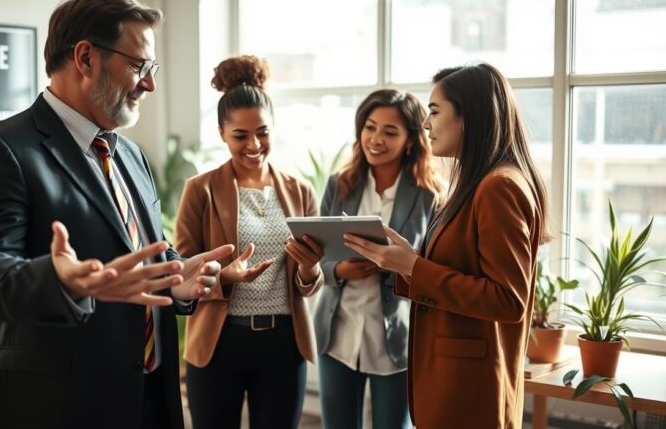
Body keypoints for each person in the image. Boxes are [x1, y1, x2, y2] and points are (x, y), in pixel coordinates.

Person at [0, 0, 233, 429]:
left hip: (149, 401)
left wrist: (177, 278)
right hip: (56, 406)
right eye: (139, 66)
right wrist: (60, 279)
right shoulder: (2, 150)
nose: (150, 84)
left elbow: (137, 256)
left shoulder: (132, 156)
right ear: (86, 58)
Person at [345, 63, 549, 429]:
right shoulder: (477, 183)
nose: (426, 124)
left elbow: (507, 299)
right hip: (456, 381)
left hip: (469, 389)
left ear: (467, 117)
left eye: (434, 112)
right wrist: (405, 263)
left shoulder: (498, 187)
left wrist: (413, 267)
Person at [173, 55, 324, 429]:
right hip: (219, 343)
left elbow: (311, 281)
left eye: (263, 132)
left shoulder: (299, 190)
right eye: (240, 135)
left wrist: (308, 268)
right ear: (222, 134)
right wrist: (225, 276)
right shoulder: (200, 190)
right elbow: (182, 270)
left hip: (283, 345)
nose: (254, 144)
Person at [314, 89, 443, 429]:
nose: (376, 139)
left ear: (411, 140)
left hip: (396, 339)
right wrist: (339, 270)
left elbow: (433, 269)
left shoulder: (429, 196)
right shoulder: (339, 185)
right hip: (337, 332)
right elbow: (319, 258)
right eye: (370, 128)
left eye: (390, 131)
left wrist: (395, 266)